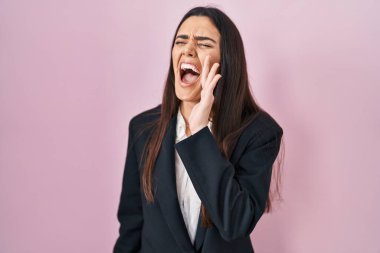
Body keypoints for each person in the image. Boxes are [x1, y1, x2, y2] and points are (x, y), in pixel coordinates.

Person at [113, 6, 283, 253]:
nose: (188, 49)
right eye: (181, 41)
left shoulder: (259, 133)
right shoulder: (142, 129)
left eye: (203, 44)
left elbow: (235, 222)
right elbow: (131, 227)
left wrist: (200, 132)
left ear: (226, 61)